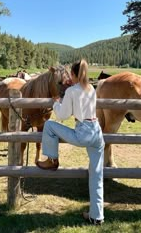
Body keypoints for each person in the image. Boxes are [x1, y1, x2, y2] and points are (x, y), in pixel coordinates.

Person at [36, 59, 105, 225]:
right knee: (96, 176)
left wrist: (56, 102)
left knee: (49, 125)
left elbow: (62, 115)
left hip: (83, 132)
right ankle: (97, 217)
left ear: (73, 74)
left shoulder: (72, 91)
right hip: (96, 132)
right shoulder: (91, 89)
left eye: (70, 75)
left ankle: (52, 160)